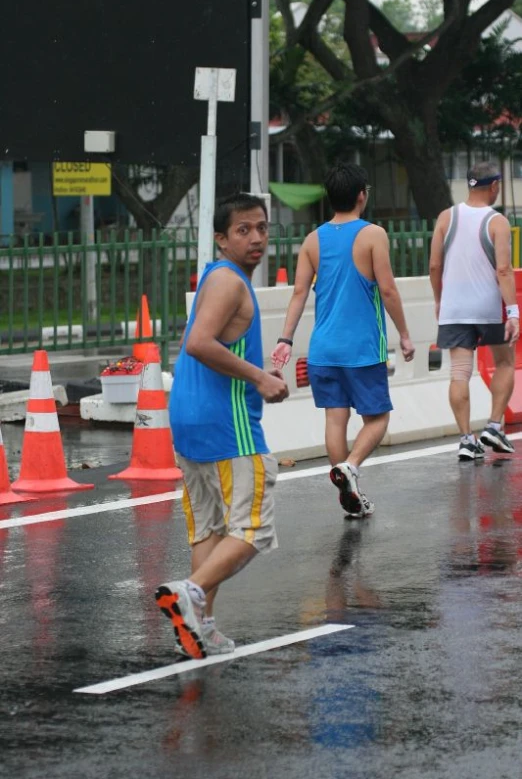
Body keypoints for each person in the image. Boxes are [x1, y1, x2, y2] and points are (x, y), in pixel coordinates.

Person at [156, 193, 289, 660]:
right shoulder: (230, 281)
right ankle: (190, 593)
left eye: (261, 228)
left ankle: (201, 628)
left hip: (189, 420)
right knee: (253, 530)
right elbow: (198, 342)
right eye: (243, 230)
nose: (256, 238)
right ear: (221, 238)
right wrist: (260, 377)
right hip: (227, 425)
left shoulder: (216, 276)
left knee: (209, 532)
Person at [271, 162, 414, 518]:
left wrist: (285, 339)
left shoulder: (312, 240)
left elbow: (299, 293)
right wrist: (406, 334)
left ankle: (349, 487)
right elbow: (388, 289)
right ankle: (350, 467)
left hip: (323, 350)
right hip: (362, 349)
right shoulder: (372, 235)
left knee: (336, 419)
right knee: (378, 418)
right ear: (361, 196)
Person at [429, 161, 520, 461]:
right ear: (494, 186)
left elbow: (434, 266)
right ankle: (494, 425)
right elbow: (504, 270)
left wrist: (440, 299)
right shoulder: (497, 222)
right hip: (487, 307)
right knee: (505, 363)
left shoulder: (446, 217)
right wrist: (513, 311)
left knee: (459, 373)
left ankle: (466, 439)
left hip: (454, 307)